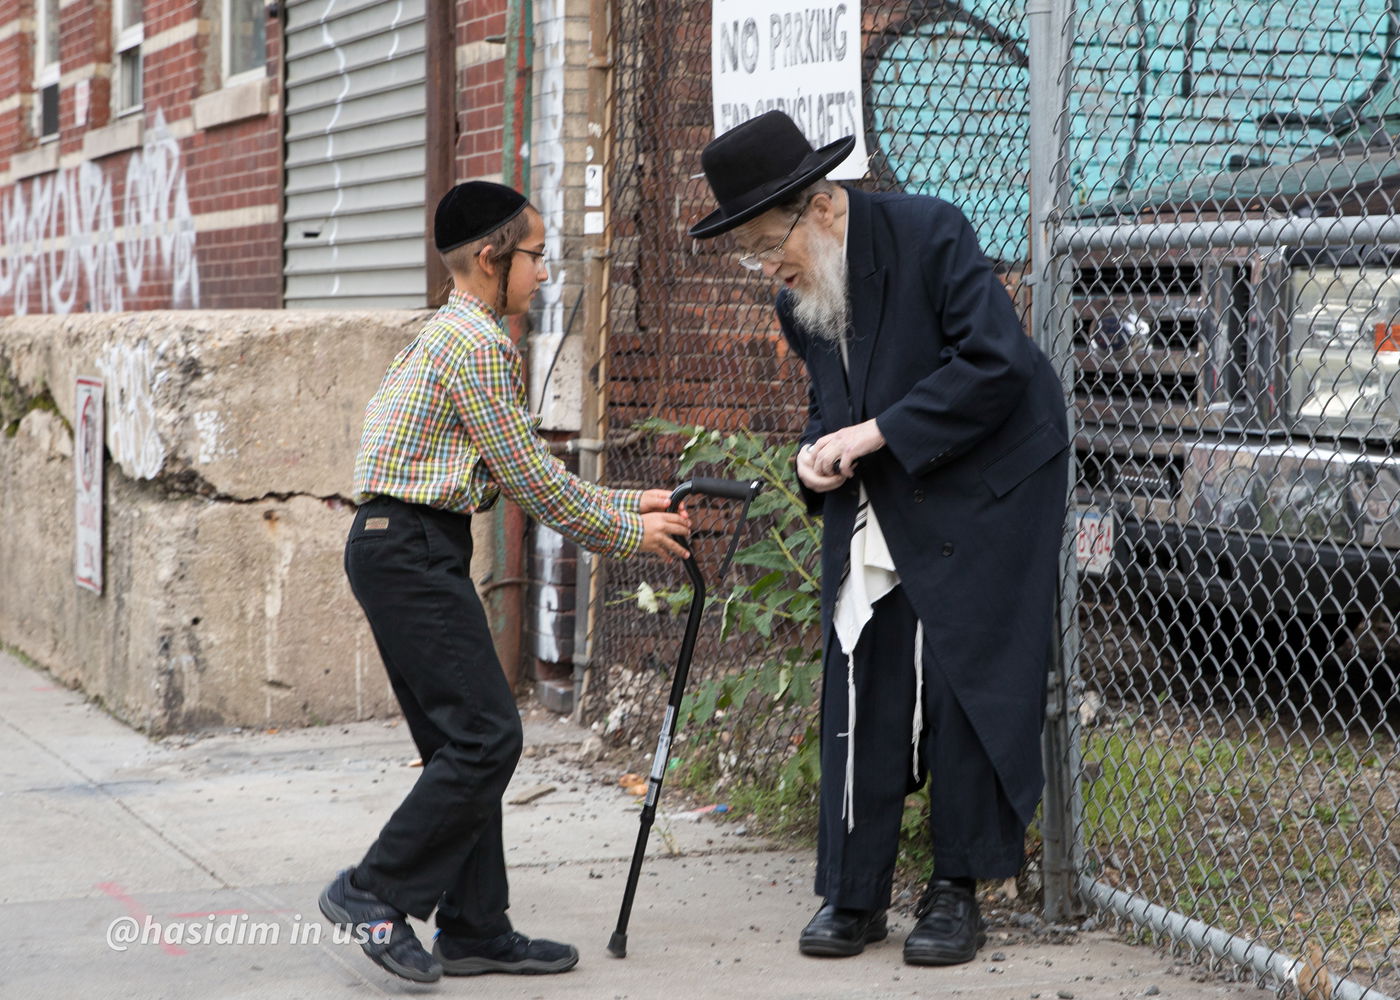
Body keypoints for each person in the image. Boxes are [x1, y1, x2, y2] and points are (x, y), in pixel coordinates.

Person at [688, 112, 1068, 967]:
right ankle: (854, 892)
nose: (765, 269)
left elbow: (997, 364)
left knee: (962, 673)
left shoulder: (931, 233)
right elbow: (831, 406)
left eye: (764, 244)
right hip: (891, 480)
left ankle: (956, 890)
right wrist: (812, 456)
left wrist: (875, 434)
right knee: (865, 670)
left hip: (993, 478)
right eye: (747, 253)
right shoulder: (802, 300)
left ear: (821, 208)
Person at [320, 180, 691, 983]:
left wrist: (633, 500)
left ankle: (476, 927)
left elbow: (523, 465)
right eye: (535, 256)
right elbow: (529, 482)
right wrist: (630, 531)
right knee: (491, 736)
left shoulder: (457, 334)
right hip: (410, 549)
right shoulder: (477, 346)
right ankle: (372, 890)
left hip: (399, 545)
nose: (545, 273)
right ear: (492, 258)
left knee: (464, 744)